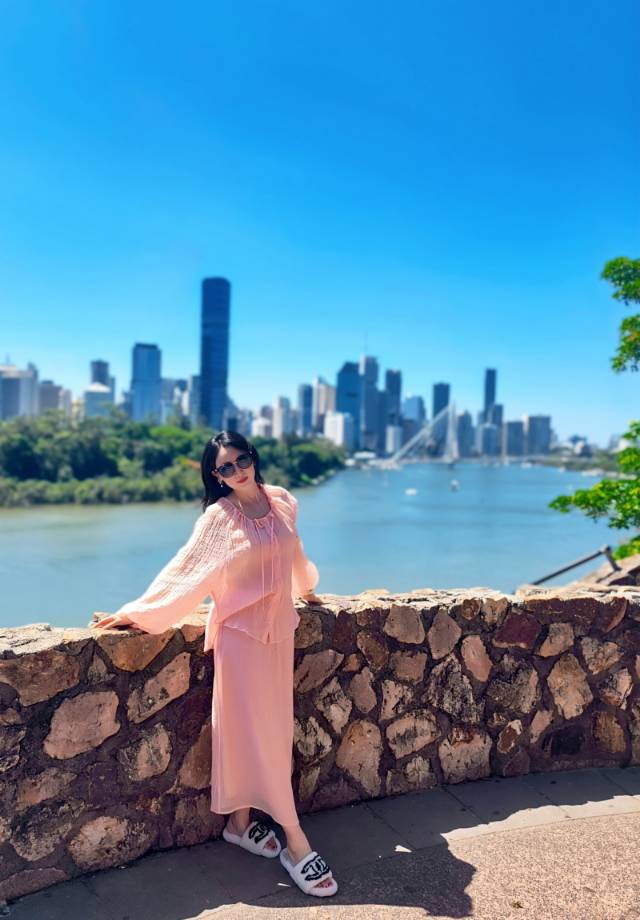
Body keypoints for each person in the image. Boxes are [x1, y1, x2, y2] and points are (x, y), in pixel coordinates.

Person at [92, 431, 338, 898]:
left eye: (242, 460)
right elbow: (185, 573)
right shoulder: (218, 519)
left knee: (271, 733)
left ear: (253, 457)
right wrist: (137, 613)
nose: (237, 470)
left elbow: (294, 555)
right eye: (226, 467)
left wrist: (307, 590)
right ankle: (296, 841)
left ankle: (239, 824)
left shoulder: (282, 501)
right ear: (215, 475)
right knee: (253, 733)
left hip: (279, 637)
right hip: (240, 642)